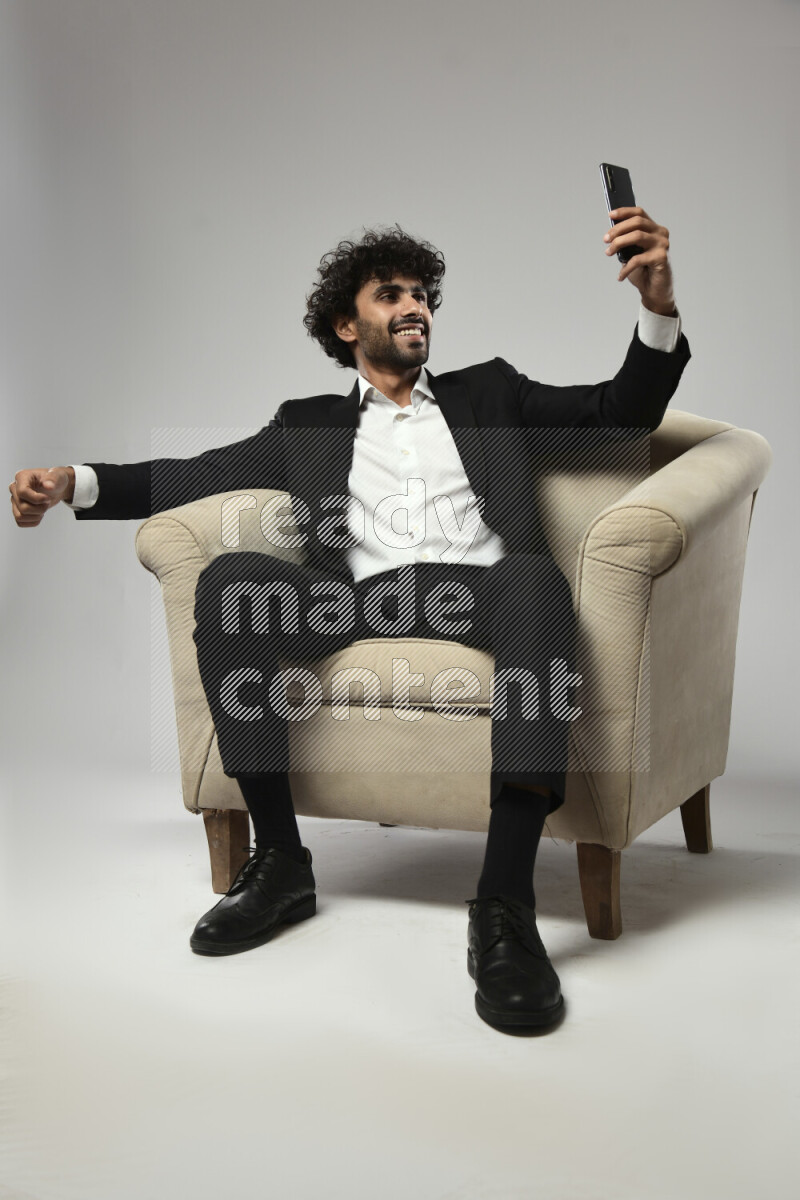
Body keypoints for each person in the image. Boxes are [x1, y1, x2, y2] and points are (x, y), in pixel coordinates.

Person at [10, 209, 690, 1033]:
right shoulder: (307, 424)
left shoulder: (490, 391)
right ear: (346, 324)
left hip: (483, 588)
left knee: (536, 582)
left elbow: (622, 414)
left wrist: (656, 304)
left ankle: (504, 904)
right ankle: (279, 861)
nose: (415, 306)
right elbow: (190, 475)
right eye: (391, 294)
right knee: (230, 581)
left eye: (422, 294)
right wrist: (72, 481)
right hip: (358, 602)